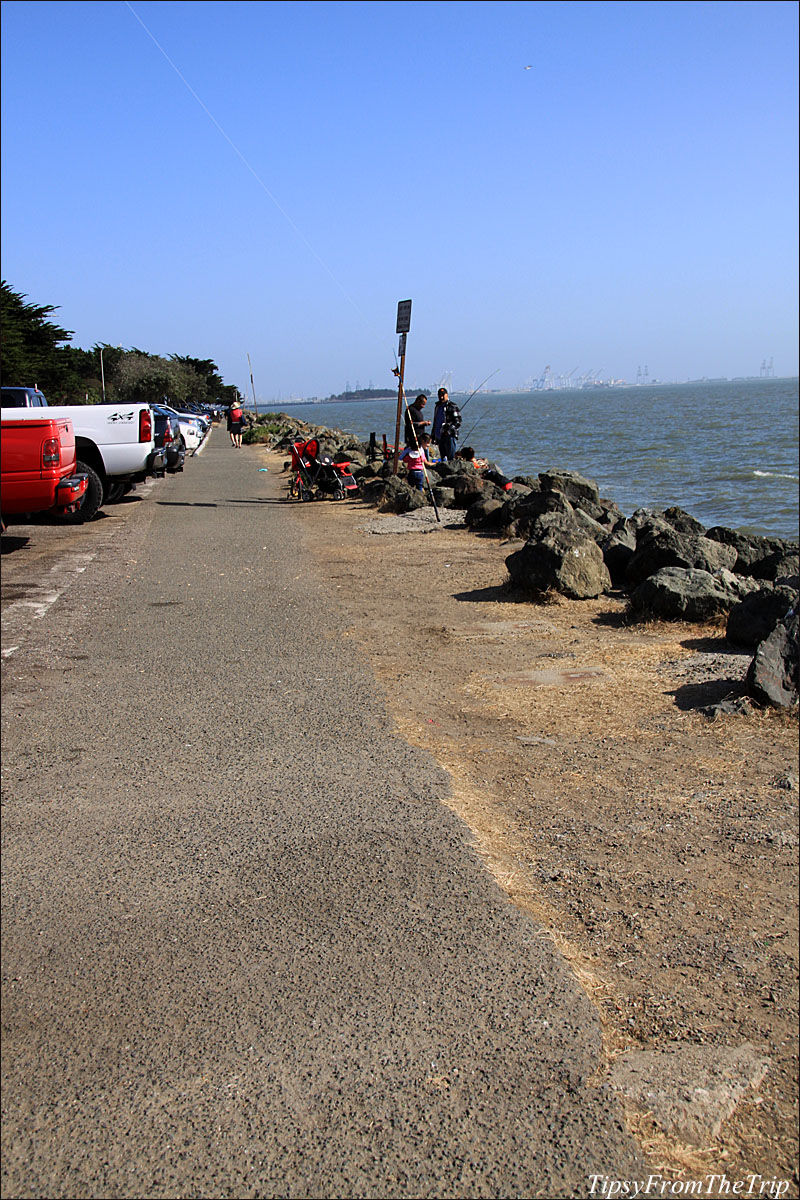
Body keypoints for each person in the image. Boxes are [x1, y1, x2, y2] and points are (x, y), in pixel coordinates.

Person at [435, 388, 461, 462]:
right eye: (439, 395)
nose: (441, 397)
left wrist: (448, 431)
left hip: (450, 436)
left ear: (447, 395)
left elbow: (458, 422)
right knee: (443, 457)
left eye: (443, 395)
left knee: (450, 458)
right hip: (440, 436)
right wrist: (433, 435)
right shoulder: (437, 406)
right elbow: (436, 421)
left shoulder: (452, 406)